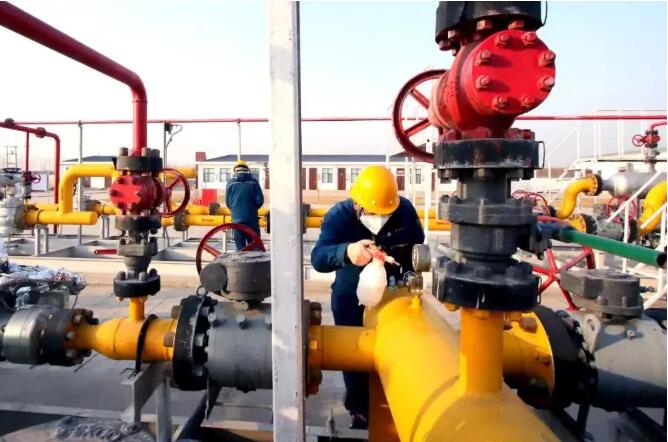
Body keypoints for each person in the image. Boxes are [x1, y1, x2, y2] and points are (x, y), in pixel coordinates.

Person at [310, 165, 425, 429]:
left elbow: (417, 247)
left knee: (398, 355)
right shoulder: (339, 217)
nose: (380, 219)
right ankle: (360, 412)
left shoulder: (404, 211)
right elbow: (318, 258)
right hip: (350, 299)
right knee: (354, 358)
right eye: (373, 213)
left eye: (386, 214)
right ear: (357, 204)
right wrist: (346, 251)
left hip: (394, 297)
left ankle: (397, 407)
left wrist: (408, 273)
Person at [225, 160, 264, 250]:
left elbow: (228, 202)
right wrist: (253, 208)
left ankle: (241, 258)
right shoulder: (254, 182)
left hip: (237, 220)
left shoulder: (231, 183)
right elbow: (260, 200)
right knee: (254, 245)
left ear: (235, 170)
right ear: (247, 169)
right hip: (251, 219)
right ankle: (255, 258)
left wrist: (235, 211)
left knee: (240, 247)